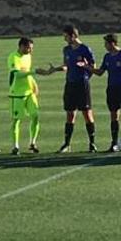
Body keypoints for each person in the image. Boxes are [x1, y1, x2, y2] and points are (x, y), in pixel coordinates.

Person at [41, 25, 97, 153]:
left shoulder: (85, 49)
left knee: (87, 113)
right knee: (70, 114)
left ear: (73, 36)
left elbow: (93, 66)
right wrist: (55, 69)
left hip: (82, 84)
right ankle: (67, 144)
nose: (64, 39)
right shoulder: (66, 50)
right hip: (70, 84)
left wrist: (86, 73)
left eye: (66, 36)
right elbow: (67, 66)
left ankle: (92, 143)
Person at [7, 37, 48, 154]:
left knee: (35, 115)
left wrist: (34, 83)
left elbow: (27, 72)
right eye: (29, 48)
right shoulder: (13, 57)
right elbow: (18, 75)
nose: (30, 51)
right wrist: (34, 71)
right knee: (17, 120)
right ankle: (15, 146)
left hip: (29, 91)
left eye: (31, 48)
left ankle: (32, 143)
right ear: (21, 46)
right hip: (17, 94)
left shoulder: (28, 56)